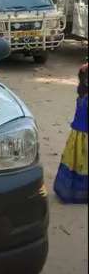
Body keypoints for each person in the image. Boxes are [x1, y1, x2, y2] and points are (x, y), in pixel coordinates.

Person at [54, 62, 88, 204]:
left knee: (76, 162)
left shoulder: (82, 96)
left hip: (78, 137)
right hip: (84, 136)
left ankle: (72, 190)